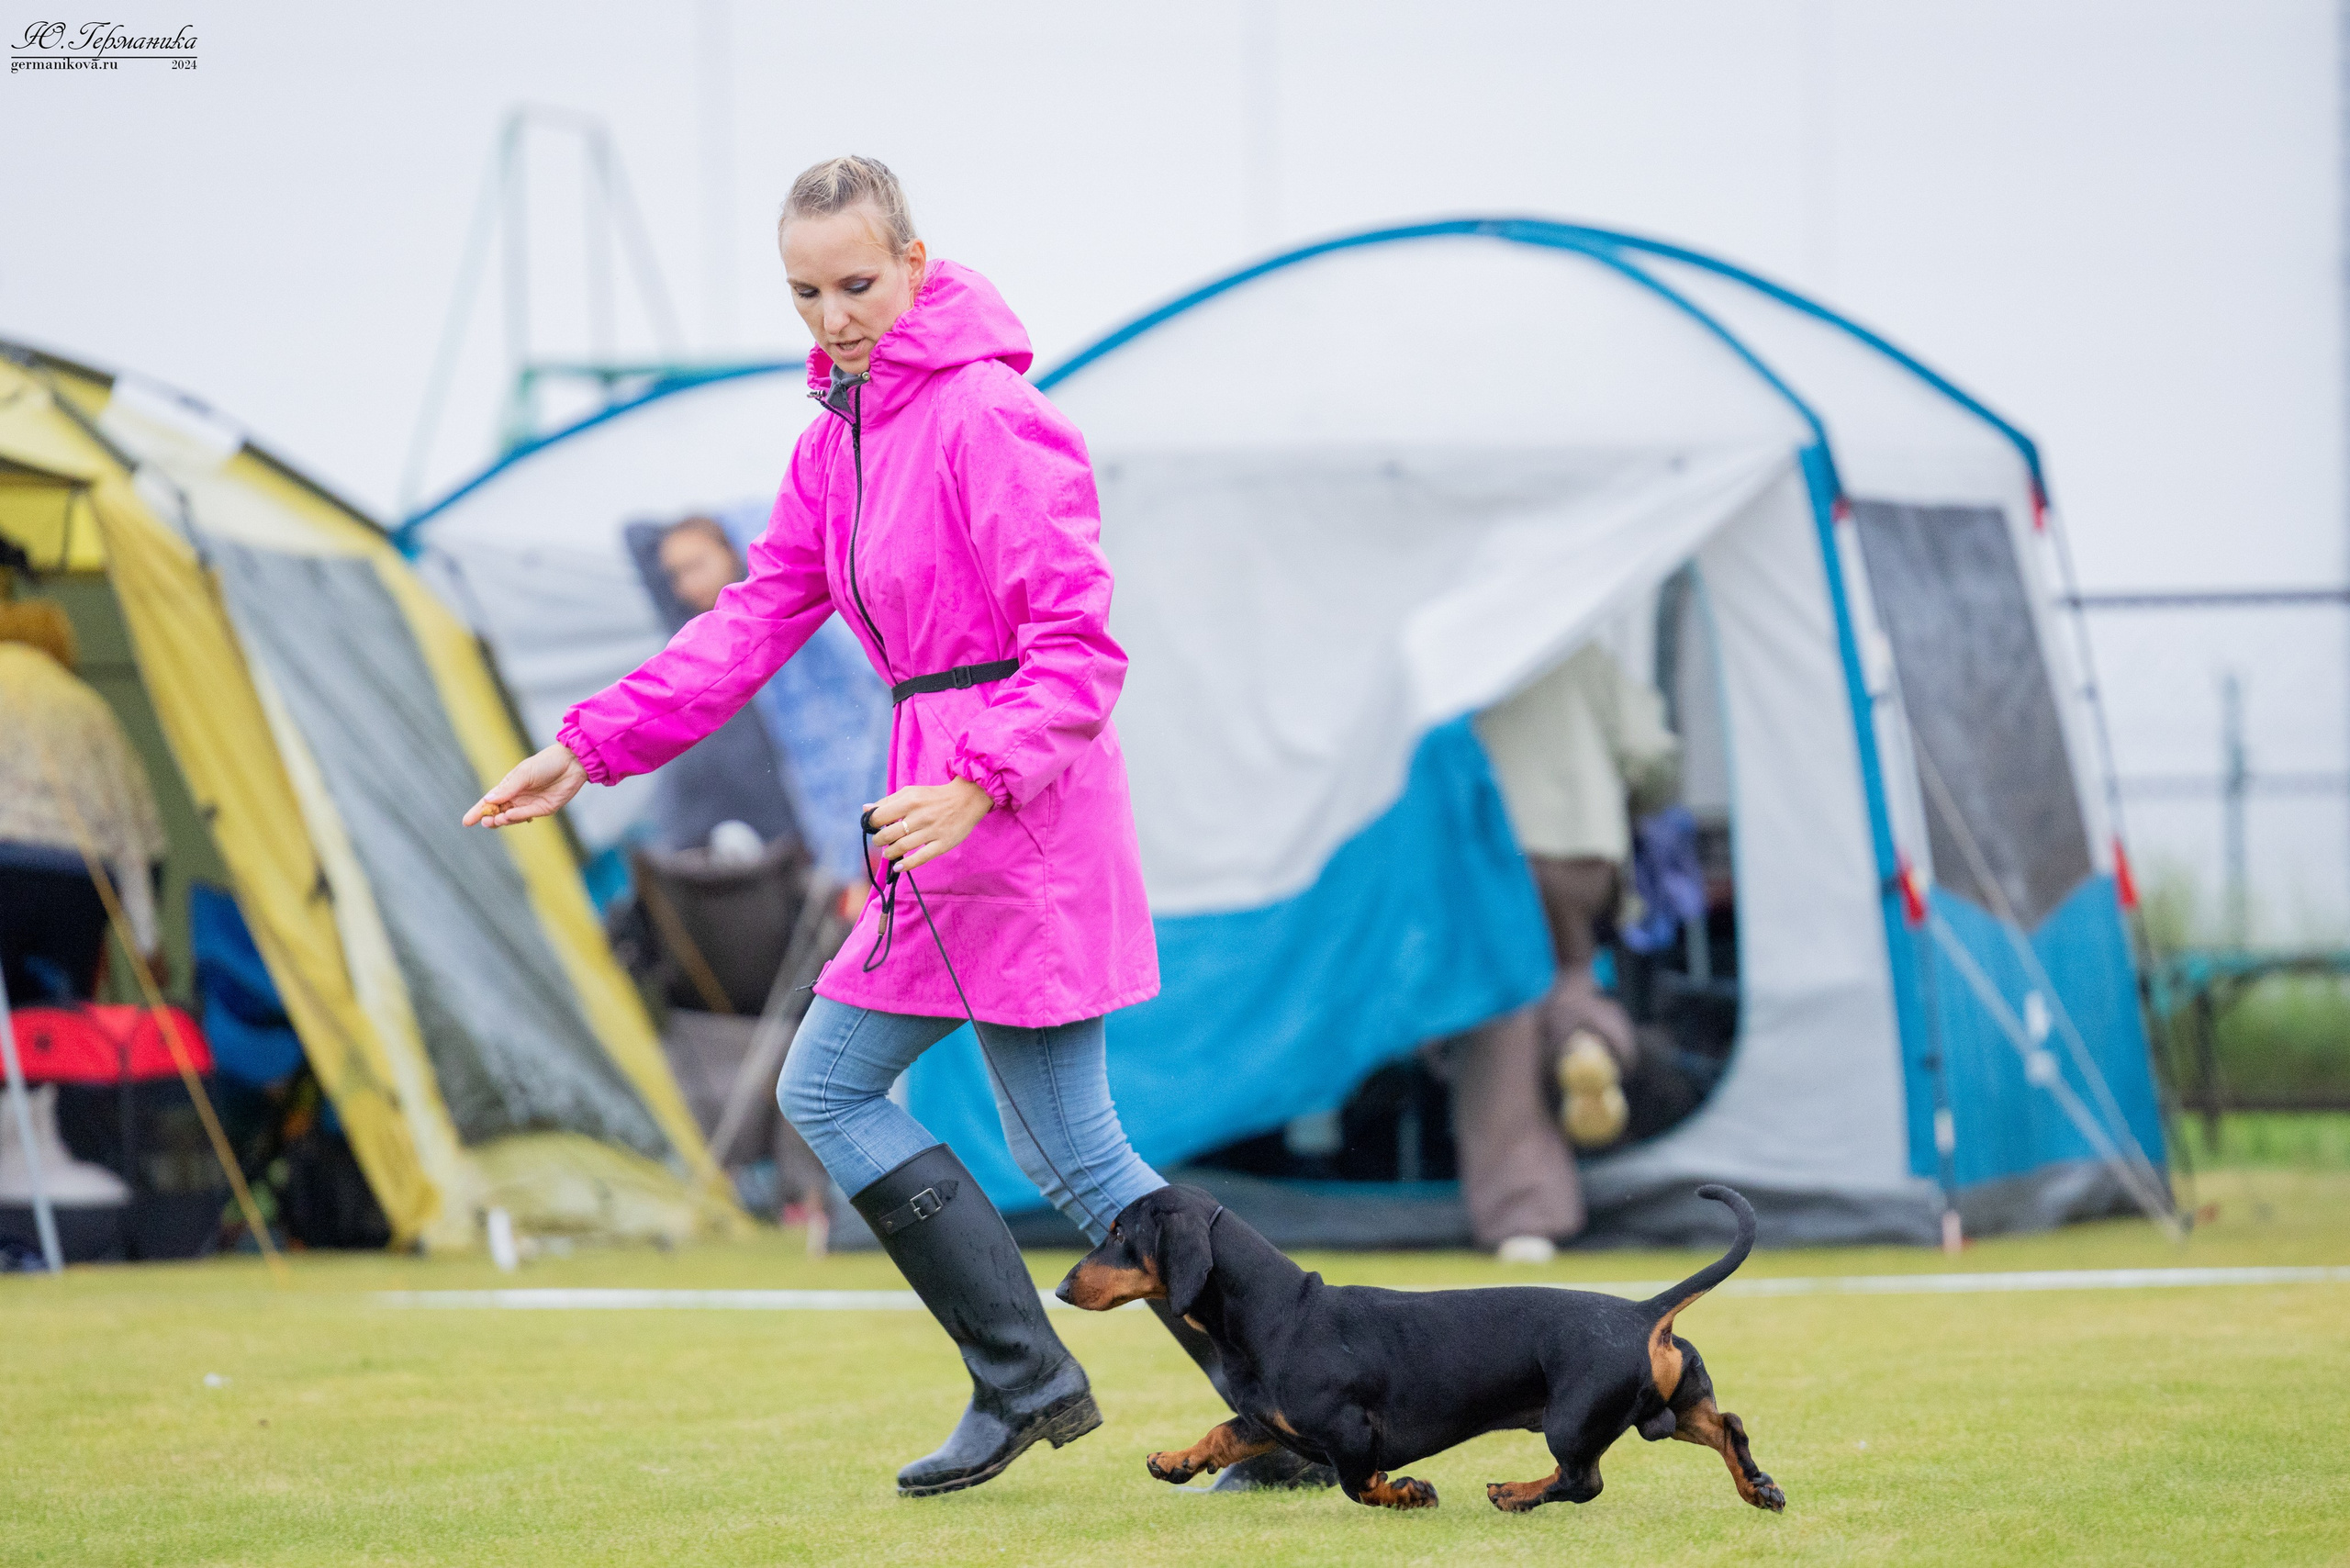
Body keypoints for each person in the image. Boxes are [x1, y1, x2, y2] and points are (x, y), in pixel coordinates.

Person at [465, 156, 1305, 1496]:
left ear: (917, 262)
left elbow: (1079, 654)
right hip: (929, 814)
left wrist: (979, 778)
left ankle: (1229, 1404)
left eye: (857, 283)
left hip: (1015, 810)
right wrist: (587, 746)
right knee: (900, 1103)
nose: (834, 315)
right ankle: (1084, 1387)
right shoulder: (830, 439)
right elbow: (752, 620)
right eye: (805, 292)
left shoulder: (992, 415)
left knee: (1035, 1136)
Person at [1449, 641, 1680, 1261]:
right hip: (1582, 849)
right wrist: (1622, 802)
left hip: (1491, 849)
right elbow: (1651, 754)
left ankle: (1525, 1217)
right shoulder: (1581, 648)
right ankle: (1591, 1041)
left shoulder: (1460, 645)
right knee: (1570, 975)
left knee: (1503, 1018)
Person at [0, 598, 167, 1004]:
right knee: (57, 1026)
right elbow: (133, 837)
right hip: (78, 883)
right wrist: (146, 948)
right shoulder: (91, 710)